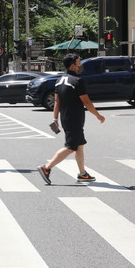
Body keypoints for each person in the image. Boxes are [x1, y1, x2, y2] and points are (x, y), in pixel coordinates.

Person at [37, 53, 106, 185]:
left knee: (79, 146)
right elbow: (87, 102)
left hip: (66, 117)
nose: (81, 65)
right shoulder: (77, 81)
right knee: (70, 147)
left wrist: (55, 118)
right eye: (79, 62)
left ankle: (82, 174)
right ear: (73, 65)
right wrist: (98, 116)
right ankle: (46, 168)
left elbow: (57, 101)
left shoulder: (60, 80)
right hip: (74, 118)